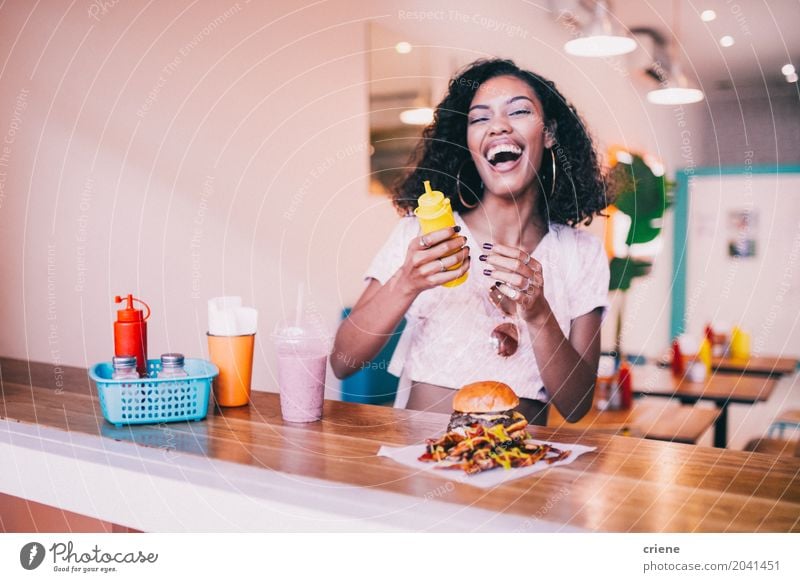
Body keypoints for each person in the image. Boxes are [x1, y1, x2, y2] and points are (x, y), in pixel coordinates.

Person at [332, 58, 610, 424]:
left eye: (519, 111)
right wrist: (407, 282)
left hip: (520, 468)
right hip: (422, 463)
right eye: (480, 118)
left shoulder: (581, 254)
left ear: (549, 133)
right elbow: (342, 362)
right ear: (467, 142)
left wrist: (539, 313)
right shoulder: (421, 236)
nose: (498, 126)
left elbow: (576, 407)